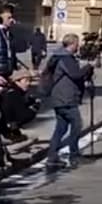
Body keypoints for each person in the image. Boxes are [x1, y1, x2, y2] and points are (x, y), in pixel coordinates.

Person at [40, 33, 95, 171]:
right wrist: (88, 66)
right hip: (66, 98)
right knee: (77, 125)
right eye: (77, 44)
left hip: (59, 97)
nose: (78, 47)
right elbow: (75, 74)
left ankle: (52, 157)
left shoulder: (58, 57)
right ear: (72, 44)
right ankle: (74, 155)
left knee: (61, 128)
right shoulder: (66, 58)